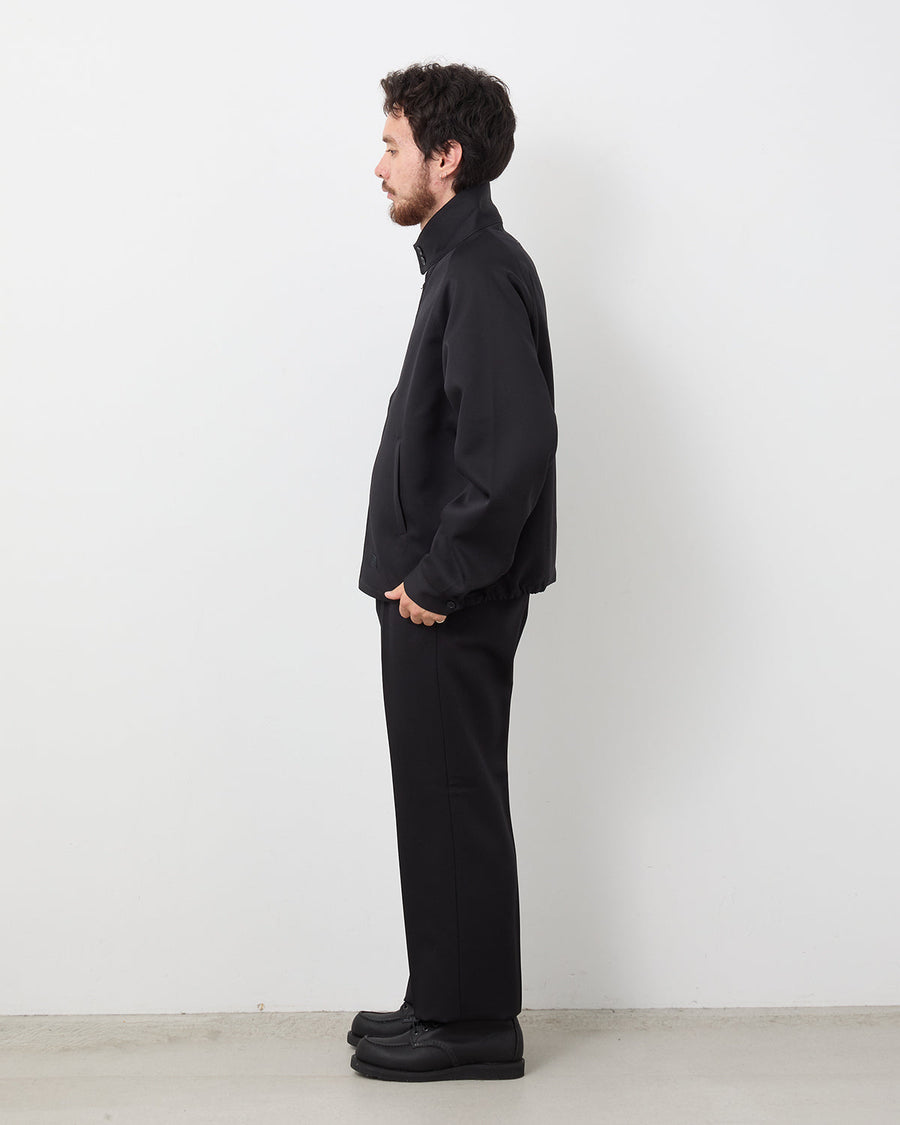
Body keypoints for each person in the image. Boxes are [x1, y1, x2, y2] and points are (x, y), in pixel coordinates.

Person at [351, 62, 558, 1082]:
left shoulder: (477, 270)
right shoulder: (461, 263)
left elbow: (510, 450)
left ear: (447, 157)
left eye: (393, 146)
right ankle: (444, 998)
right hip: (435, 592)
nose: (378, 165)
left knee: (452, 797)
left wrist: (436, 579)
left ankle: (472, 1025)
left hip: (448, 599)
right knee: (438, 799)